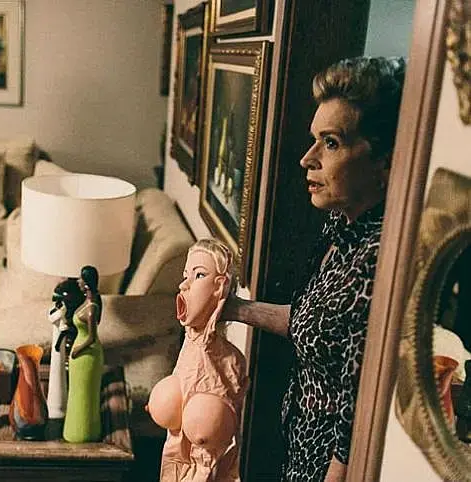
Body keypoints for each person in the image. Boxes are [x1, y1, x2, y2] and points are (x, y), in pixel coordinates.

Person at [222, 56, 406, 481]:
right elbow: (315, 323)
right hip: (299, 446)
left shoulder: (380, 260)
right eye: (314, 140)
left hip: (330, 466)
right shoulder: (342, 226)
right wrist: (233, 308)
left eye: (332, 143)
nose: (308, 159)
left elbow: (355, 419)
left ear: (385, 159)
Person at [147, 238, 248, 482]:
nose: (184, 284)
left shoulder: (231, 361)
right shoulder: (188, 347)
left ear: (219, 286)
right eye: (185, 276)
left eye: (199, 275)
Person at [63, 265, 105, 443]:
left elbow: (92, 338)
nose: (78, 281)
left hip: (87, 354)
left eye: (81, 278)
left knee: (84, 396)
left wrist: (77, 349)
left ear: (87, 283)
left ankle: (85, 432)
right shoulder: (88, 302)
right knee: (76, 394)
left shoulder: (91, 308)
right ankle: (74, 430)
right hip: (81, 354)